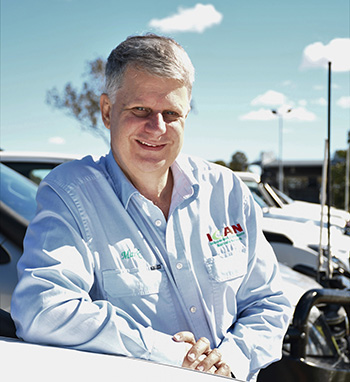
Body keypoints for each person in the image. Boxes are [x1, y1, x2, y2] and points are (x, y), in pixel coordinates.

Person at [11, 34, 291, 381]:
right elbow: (43, 309)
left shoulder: (227, 191)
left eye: (171, 113)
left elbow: (269, 303)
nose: (156, 128)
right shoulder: (72, 194)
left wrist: (228, 360)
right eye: (140, 110)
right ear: (107, 111)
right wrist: (169, 355)